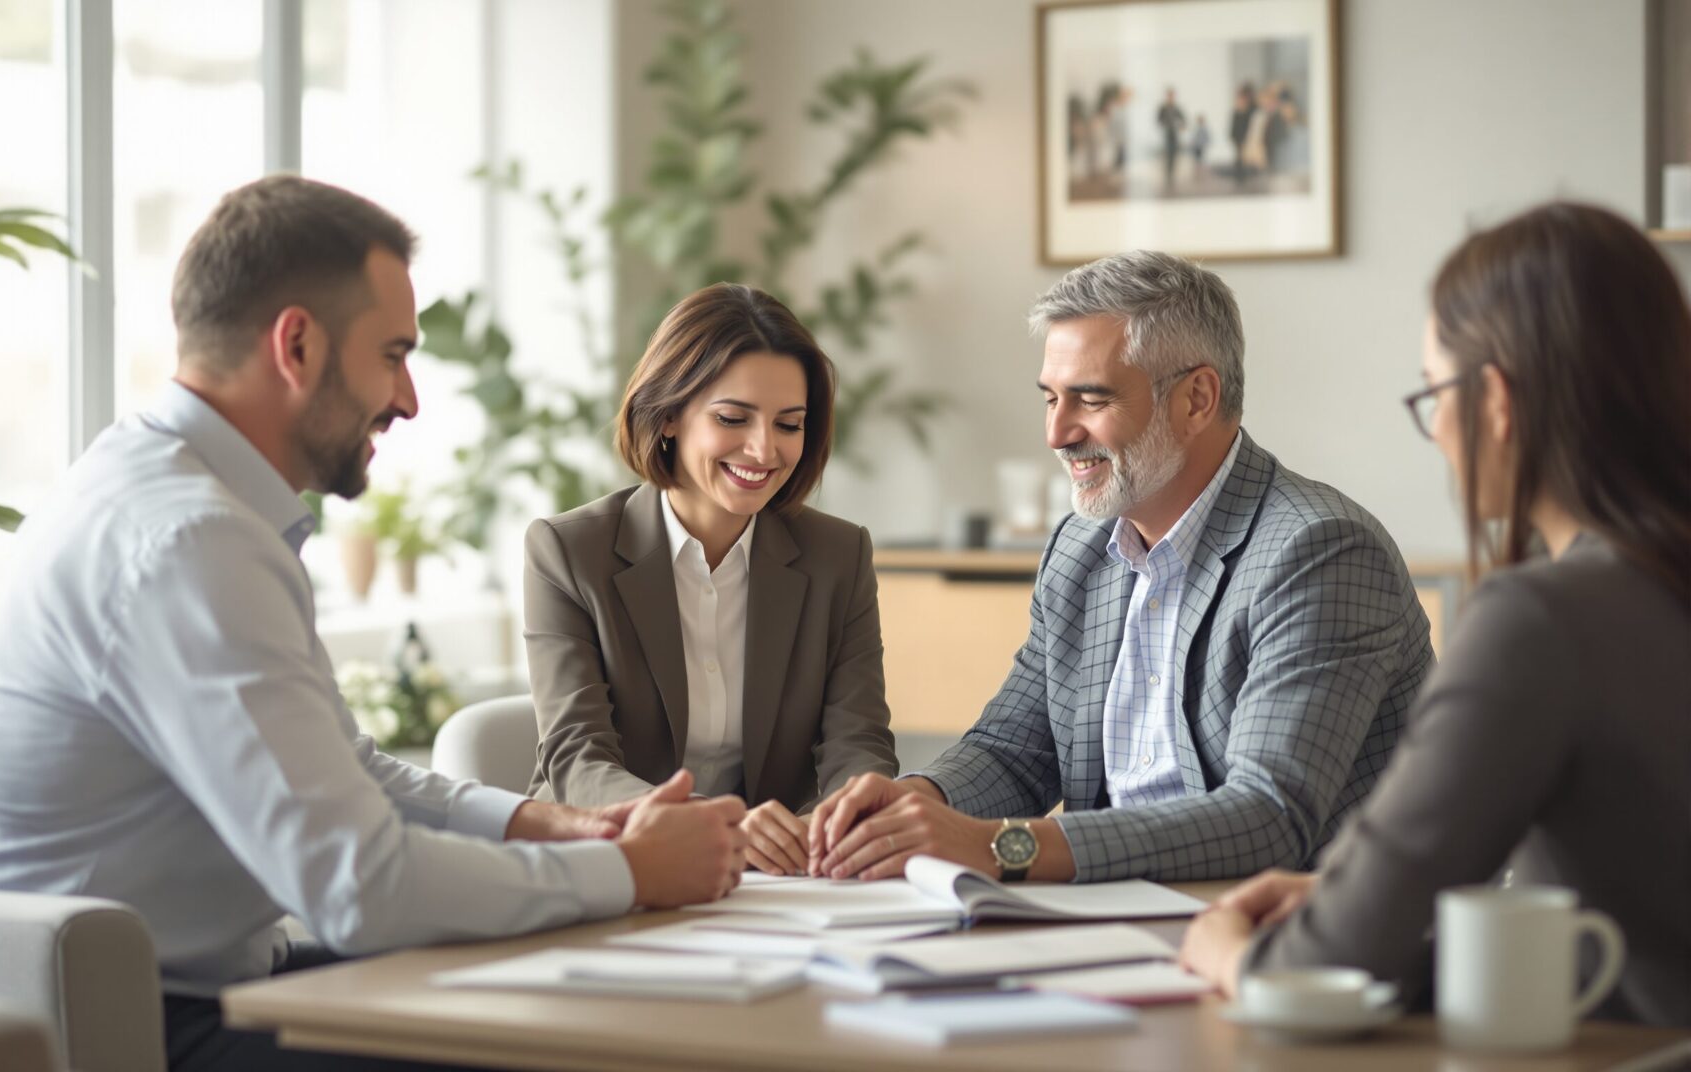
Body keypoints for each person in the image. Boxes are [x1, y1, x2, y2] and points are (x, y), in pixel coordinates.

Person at [0, 175, 749, 1071]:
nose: (409, 398)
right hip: (91, 1032)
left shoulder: (188, 499)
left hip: (172, 988)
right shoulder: (190, 538)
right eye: (393, 355)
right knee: (566, 1047)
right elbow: (361, 888)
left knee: (567, 1000)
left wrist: (551, 827)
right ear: (298, 345)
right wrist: (630, 872)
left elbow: (348, 772)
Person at [1179, 202, 1691, 1027]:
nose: (1438, 430)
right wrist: (1353, 900)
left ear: (1496, 400)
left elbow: (1326, 969)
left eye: (1436, 392)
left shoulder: (1540, 619)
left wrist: (1230, 952)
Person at [805, 250, 1433, 886]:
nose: (1056, 433)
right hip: (1113, 917)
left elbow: (1267, 817)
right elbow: (1014, 750)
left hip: (1282, 926)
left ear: (1196, 399)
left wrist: (1002, 847)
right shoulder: (1079, 548)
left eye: (1090, 399)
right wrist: (913, 805)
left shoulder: (1319, 552)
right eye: (1050, 398)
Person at [525, 283, 899, 877]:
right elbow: (578, 760)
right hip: (613, 861)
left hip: (780, 876)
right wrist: (715, 826)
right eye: (732, 418)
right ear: (668, 415)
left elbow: (859, 743)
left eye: (789, 424)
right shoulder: (569, 552)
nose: (764, 450)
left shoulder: (839, 555)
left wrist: (828, 824)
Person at [1157, 88, 1187, 190]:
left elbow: (1183, 119)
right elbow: (1159, 119)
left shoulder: (1176, 108)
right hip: (1167, 133)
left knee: (1174, 153)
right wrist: (1165, 124)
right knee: (1168, 153)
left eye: (1172, 96)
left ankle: (1172, 173)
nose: (1171, 98)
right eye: (1170, 96)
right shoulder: (1163, 108)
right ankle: (1168, 173)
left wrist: (1181, 125)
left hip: (1174, 133)